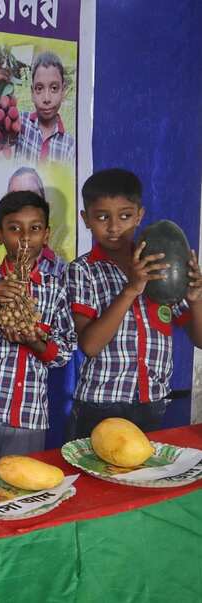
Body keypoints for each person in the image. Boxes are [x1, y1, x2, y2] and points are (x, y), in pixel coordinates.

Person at [65, 169, 202, 438]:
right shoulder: (83, 271)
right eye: (102, 217)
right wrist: (131, 289)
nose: (114, 227)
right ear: (86, 219)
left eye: (125, 216)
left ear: (139, 215)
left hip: (152, 403)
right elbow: (90, 346)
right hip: (100, 404)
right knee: (94, 478)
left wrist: (196, 300)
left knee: (142, 478)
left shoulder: (158, 265)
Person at [0, 191, 76, 456]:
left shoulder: (55, 289)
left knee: (21, 486)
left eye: (34, 229)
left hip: (29, 414)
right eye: (14, 229)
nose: (25, 238)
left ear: (46, 235)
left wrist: (34, 341)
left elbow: (64, 354)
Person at [14, 51, 76, 164]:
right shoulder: (19, 123)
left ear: (63, 91)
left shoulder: (70, 147)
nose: (46, 98)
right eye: (39, 88)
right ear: (32, 93)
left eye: (54, 88)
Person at [7, 166, 67, 278]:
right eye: (15, 197)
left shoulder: (67, 275)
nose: (24, 207)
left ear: (46, 209)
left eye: (32, 196)